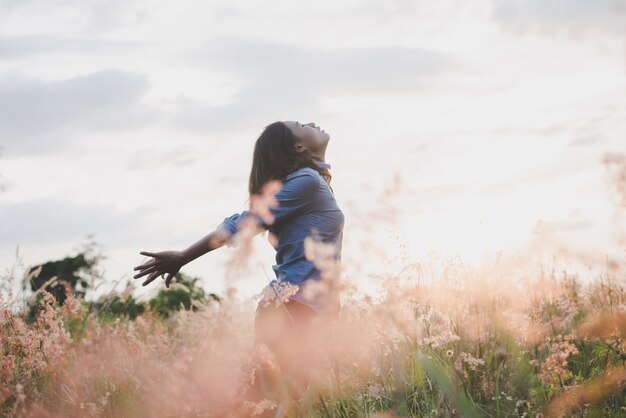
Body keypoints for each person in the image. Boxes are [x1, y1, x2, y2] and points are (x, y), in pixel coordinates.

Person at [132, 121, 345, 412]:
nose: (309, 123)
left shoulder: (313, 182)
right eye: (299, 125)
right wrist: (184, 256)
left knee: (270, 401)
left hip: (300, 308)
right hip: (292, 308)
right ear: (298, 147)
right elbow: (245, 222)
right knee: (275, 401)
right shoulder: (306, 181)